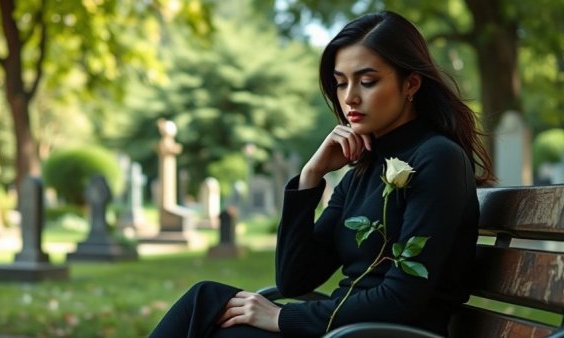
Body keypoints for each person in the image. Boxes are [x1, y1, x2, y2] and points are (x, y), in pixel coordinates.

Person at [148, 10, 494, 338]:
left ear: (411, 84)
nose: (350, 98)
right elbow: (294, 279)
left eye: (368, 81)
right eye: (341, 83)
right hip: (345, 328)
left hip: (383, 333)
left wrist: (283, 317)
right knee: (206, 299)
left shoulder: (439, 159)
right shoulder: (364, 167)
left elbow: (403, 299)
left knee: (214, 321)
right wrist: (311, 176)